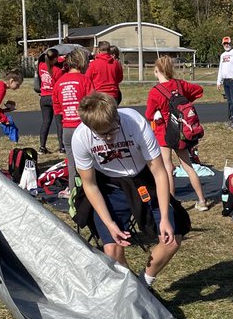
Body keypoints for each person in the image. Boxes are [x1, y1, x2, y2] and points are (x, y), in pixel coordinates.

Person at [72, 93, 184, 287]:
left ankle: (143, 285)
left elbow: (158, 171)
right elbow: (90, 185)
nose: (108, 138)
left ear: (117, 117)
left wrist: (165, 217)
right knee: (112, 251)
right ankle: (132, 290)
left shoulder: (135, 123)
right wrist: (109, 223)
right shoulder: (80, 138)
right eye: (102, 135)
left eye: (112, 131)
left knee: (171, 240)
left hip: (142, 178)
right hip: (109, 184)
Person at [144, 55, 209, 211]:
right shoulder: (180, 85)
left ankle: (171, 202)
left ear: (156, 71)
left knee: (167, 167)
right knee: (188, 165)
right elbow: (199, 90)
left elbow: (148, 115)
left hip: (163, 132)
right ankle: (202, 200)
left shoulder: (155, 91)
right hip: (181, 130)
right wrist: (185, 100)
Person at [54, 48, 91, 157]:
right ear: (82, 62)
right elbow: (93, 102)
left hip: (67, 128)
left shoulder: (59, 82)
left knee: (71, 160)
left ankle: (73, 175)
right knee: (87, 160)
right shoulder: (85, 80)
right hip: (83, 126)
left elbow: (57, 109)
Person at [36, 49, 61, 153]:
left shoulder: (41, 65)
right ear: (55, 58)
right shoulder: (57, 70)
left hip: (44, 97)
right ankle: (62, 146)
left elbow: (45, 58)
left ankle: (42, 146)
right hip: (53, 97)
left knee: (46, 122)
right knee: (59, 123)